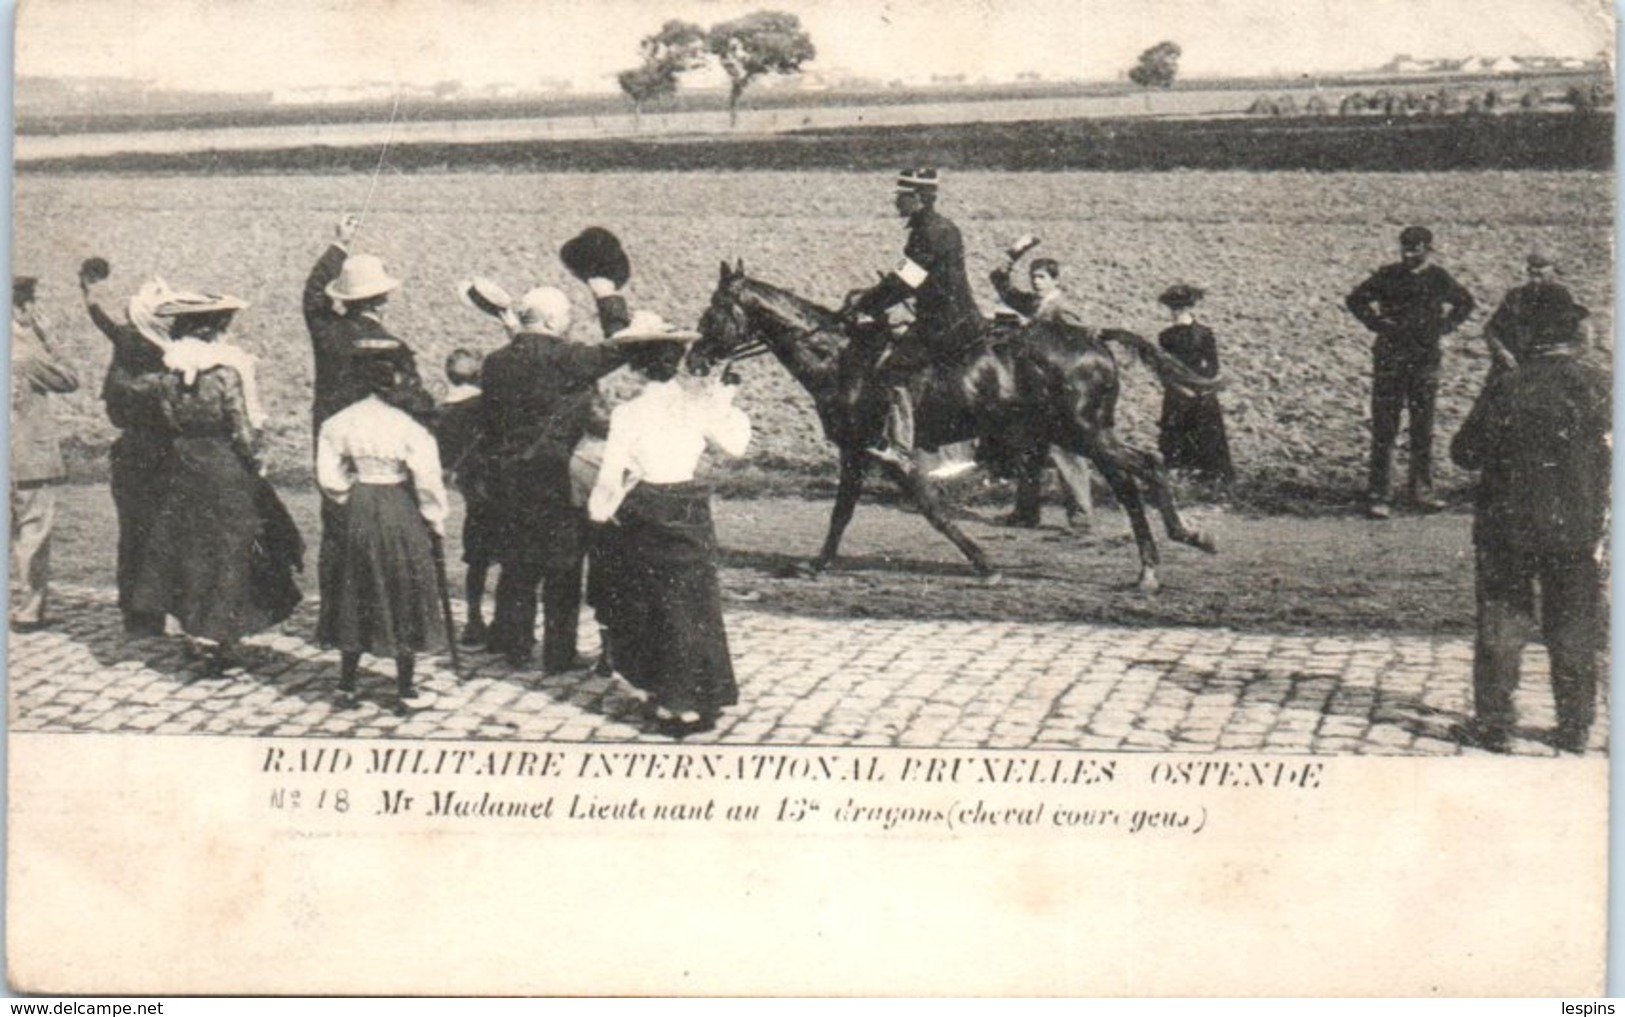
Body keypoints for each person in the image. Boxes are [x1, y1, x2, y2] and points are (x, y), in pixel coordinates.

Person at [1447, 308, 1609, 754]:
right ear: (1573, 337)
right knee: (1574, 624)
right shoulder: (1601, 386)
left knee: (1502, 619)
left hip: (1507, 528)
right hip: (1577, 529)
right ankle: (1575, 726)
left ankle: (1495, 724)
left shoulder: (1506, 387)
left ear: (1529, 339)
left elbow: (1464, 452)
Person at [588, 311, 752, 737]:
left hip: (644, 509)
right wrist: (724, 401)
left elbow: (610, 477)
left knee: (654, 604)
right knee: (694, 603)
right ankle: (700, 697)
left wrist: (598, 513)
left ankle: (667, 700)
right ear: (677, 357)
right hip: (688, 507)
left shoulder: (627, 414)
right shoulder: (696, 405)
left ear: (636, 364)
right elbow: (735, 446)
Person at [128, 289, 303, 674]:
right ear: (214, 329)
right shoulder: (226, 373)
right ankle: (216, 640)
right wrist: (259, 461)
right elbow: (241, 430)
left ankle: (195, 632)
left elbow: (162, 416)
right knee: (230, 552)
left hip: (185, 466)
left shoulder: (168, 376)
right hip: (225, 470)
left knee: (191, 550)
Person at [479, 286, 628, 672]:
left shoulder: (495, 362)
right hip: (556, 476)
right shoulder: (567, 358)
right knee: (563, 568)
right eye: (564, 317)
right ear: (549, 320)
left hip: (507, 476)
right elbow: (623, 344)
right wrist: (607, 295)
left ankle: (515, 645)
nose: (569, 323)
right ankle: (558, 654)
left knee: (517, 565)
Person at [316, 346, 450, 709]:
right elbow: (427, 480)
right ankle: (406, 689)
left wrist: (349, 495)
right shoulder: (408, 425)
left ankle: (346, 685)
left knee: (355, 586)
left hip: (359, 506)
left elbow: (329, 478)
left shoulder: (339, 421)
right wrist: (434, 517)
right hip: (397, 507)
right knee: (402, 586)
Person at [840, 167, 982, 473]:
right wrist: (872, 295)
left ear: (917, 197)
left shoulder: (928, 232)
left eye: (901, 196)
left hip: (943, 324)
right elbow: (905, 278)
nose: (896, 202)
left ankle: (901, 448)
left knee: (892, 370)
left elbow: (906, 280)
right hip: (950, 318)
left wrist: (866, 302)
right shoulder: (935, 227)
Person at [1345, 225, 1476, 518]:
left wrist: (1443, 328)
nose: (1408, 254)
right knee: (1384, 428)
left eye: (1415, 249)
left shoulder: (1439, 278)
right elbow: (1355, 299)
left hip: (1425, 358)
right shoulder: (1388, 274)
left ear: (1428, 249)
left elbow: (1465, 303)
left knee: (1422, 427)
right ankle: (1380, 494)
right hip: (1390, 358)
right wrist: (1376, 323)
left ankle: (1422, 491)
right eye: (1404, 248)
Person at [80, 258, 174, 636]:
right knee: (157, 532)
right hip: (162, 451)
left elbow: (104, 324)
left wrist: (88, 294)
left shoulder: (129, 343)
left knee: (132, 532)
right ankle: (156, 608)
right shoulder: (168, 353)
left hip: (130, 450)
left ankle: (135, 613)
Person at [986, 239, 1095, 530]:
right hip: (1035, 392)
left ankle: (1081, 516)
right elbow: (1001, 285)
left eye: (1042, 277)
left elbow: (1080, 345)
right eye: (1033, 277)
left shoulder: (1062, 308)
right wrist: (1012, 257)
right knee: (1029, 450)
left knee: (1067, 452)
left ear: (1055, 280)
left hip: (1060, 393)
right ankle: (1026, 513)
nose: (1036, 282)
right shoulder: (1034, 304)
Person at [10, 276, 80, 631]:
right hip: (27, 456)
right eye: (31, 303)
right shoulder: (24, 353)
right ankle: (28, 609)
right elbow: (70, 379)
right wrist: (50, 338)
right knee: (32, 532)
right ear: (22, 306)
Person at [433, 346, 495, 646]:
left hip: (470, 489)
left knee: (477, 559)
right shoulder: (484, 406)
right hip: (493, 484)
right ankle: (503, 622)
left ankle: (474, 618)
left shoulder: (440, 412)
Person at [1154, 283, 1235, 485]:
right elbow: (1166, 368)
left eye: (1178, 308)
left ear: (1188, 308)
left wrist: (1194, 384)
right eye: (1173, 308)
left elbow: (1213, 365)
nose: (1175, 313)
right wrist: (1189, 385)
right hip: (1186, 393)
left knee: (1199, 434)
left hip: (1192, 393)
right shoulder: (1168, 336)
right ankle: (1187, 477)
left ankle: (1204, 478)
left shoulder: (1198, 334)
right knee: (1187, 434)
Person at [1482, 251, 1592, 373]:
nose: (1535, 280)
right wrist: (1501, 351)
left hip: (1553, 364)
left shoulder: (1565, 297)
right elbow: (1491, 329)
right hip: (1516, 362)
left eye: (1540, 275)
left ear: (1552, 273)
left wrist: (1566, 351)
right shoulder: (1515, 296)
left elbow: (1583, 338)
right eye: (1531, 274)